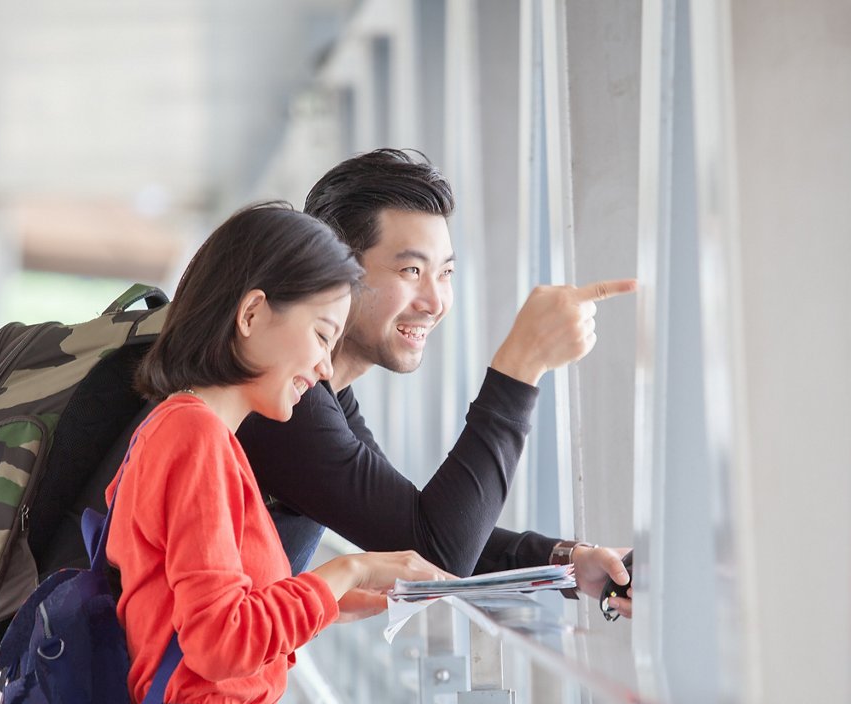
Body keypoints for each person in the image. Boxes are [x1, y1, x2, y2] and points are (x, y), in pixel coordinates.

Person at [94, 201, 449, 704]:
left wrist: (325, 601)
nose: (323, 367)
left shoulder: (197, 433)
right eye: (320, 334)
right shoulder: (195, 436)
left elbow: (197, 610)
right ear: (252, 314)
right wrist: (346, 570)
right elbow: (218, 643)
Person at [237, 149, 636, 615]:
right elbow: (438, 554)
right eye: (411, 271)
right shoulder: (282, 401)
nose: (434, 300)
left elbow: (417, 531)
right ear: (334, 268)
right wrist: (518, 369)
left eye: (445, 272)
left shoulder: (325, 394)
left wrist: (571, 563)